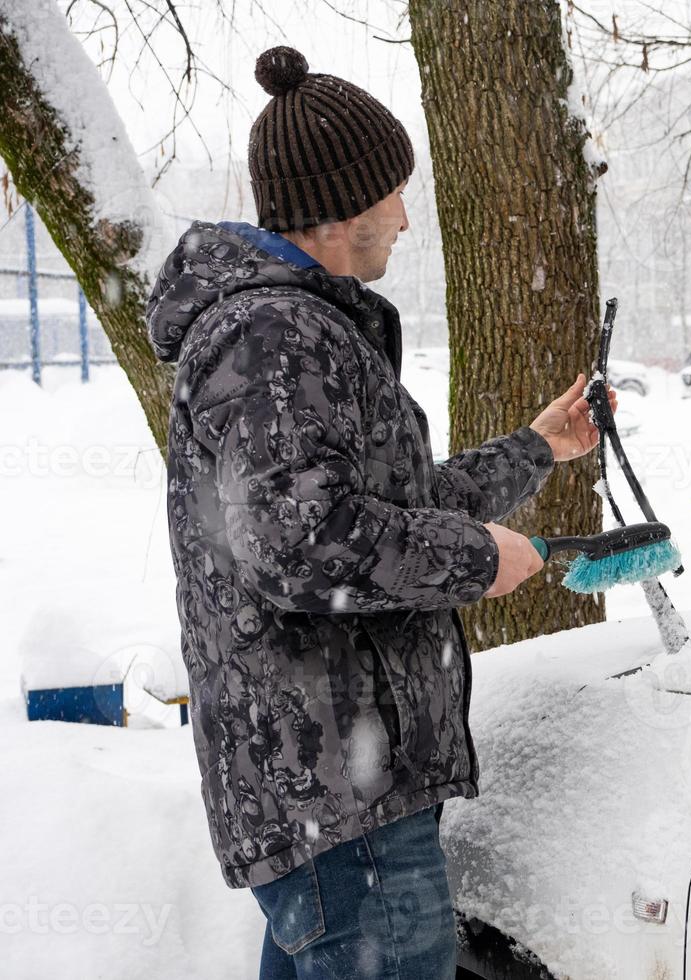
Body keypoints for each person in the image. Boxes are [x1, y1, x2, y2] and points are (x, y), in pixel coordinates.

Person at [144, 46, 614, 980]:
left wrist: (537, 448)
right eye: (393, 195)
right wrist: (479, 560)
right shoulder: (270, 335)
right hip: (335, 786)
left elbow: (381, 510)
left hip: (346, 784)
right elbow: (300, 544)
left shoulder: (301, 327)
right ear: (342, 206)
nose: (405, 217)